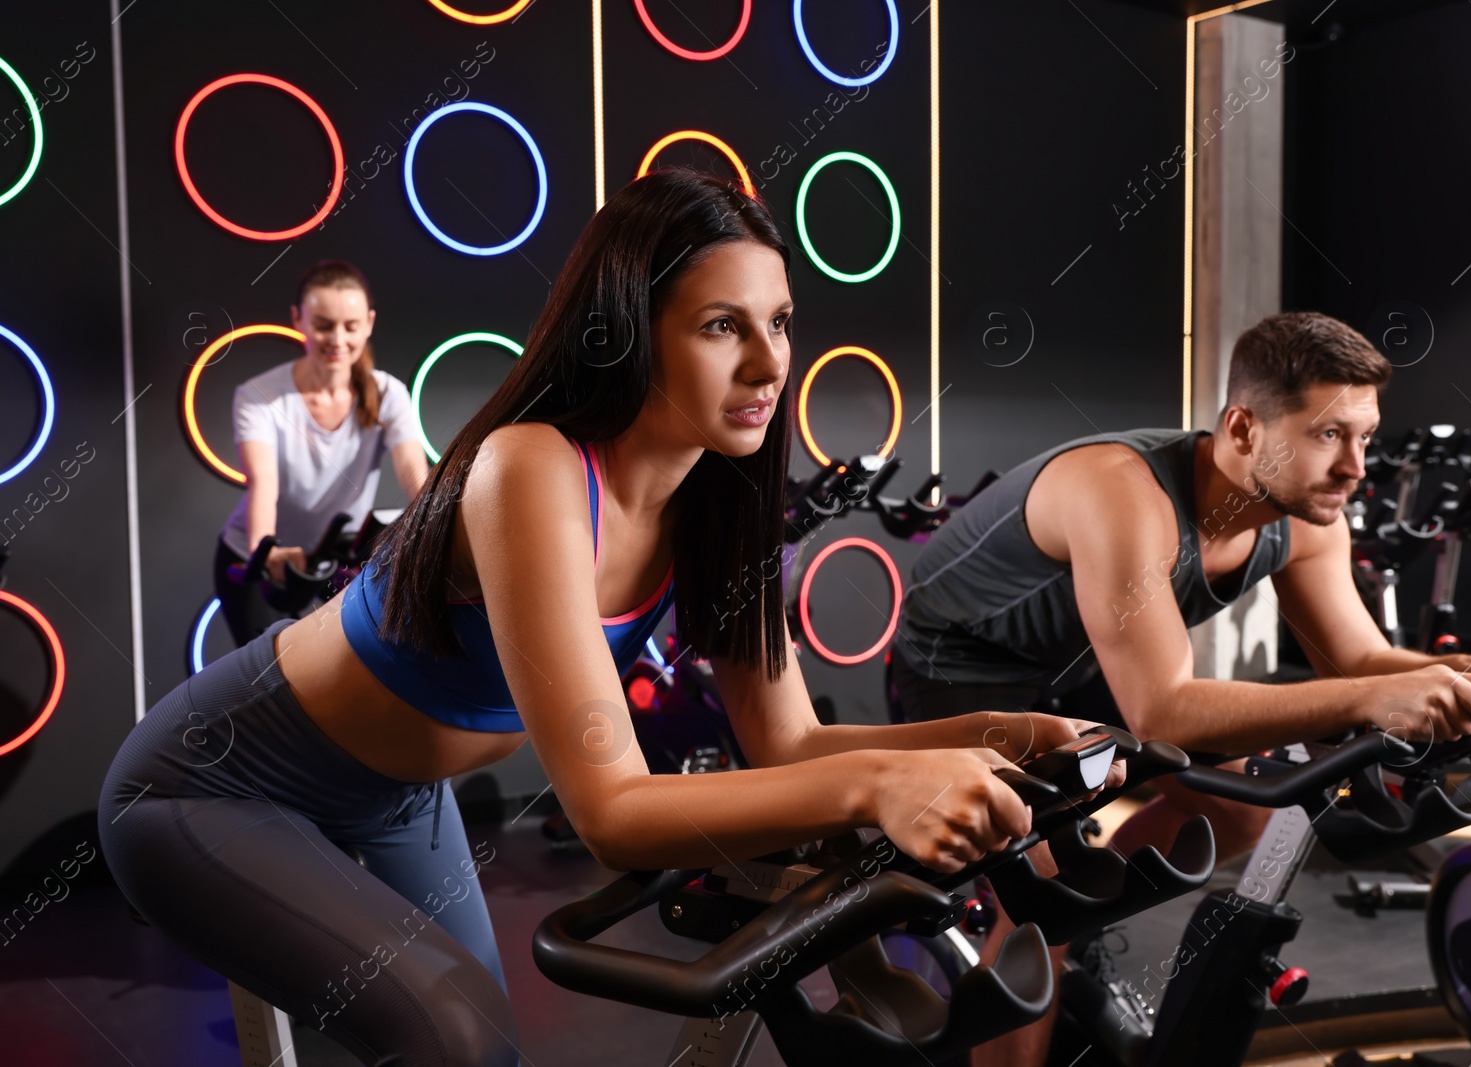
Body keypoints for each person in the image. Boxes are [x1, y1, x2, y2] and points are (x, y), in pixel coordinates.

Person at [99, 171, 1124, 1067]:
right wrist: (881, 782)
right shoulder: (533, 467)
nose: (770, 363)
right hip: (213, 780)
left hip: (399, 799)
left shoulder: (719, 503)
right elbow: (612, 809)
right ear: (628, 328)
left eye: (779, 321)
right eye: (724, 325)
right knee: (460, 1040)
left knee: (478, 1049)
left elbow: (788, 741)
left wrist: (1006, 736)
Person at [889, 310, 1471, 1067]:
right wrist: (1374, 700)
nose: (1356, 465)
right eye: (1329, 435)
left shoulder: (1309, 515)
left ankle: (1092, 921)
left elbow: (1358, 659)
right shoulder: (1123, 493)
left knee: (1240, 810)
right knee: (1050, 886)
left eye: (1364, 435)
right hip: (956, 666)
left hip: (1084, 663)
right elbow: (1163, 708)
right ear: (1243, 428)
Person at [213, 259, 431, 646]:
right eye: (324, 325)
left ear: (369, 323)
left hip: (337, 557)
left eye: (350, 326)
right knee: (264, 680)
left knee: (361, 666)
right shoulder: (258, 396)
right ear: (298, 319)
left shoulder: (387, 394)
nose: (338, 339)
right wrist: (267, 552)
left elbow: (415, 472)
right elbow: (263, 484)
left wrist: (441, 523)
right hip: (259, 558)